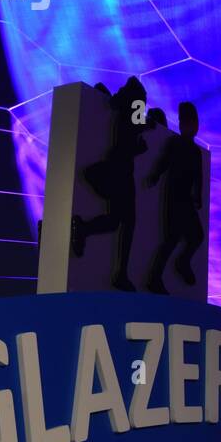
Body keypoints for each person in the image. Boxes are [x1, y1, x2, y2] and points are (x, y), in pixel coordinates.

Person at [71, 77, 148, 291]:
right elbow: (131, 136)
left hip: (121, 167)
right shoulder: (137, 101)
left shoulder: (129, 102)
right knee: (127, 222)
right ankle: (120, 273)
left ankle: (84, 229)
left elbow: (129, 121)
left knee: (119, 221)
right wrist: (139, 148)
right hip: (121, 168)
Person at [145, 101, 205, 294]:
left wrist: (198, 195)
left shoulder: (196, 151)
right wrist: (154, 175)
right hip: (174, 198)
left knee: (197, 236)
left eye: (194, 123)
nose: (192, 127)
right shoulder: (175, 143)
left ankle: (182, 262)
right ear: (182, 124)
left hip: (186, 200)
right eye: (188, 122)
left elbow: (198, 175)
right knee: (171, 238)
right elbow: (164, 162)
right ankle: (155, 277)